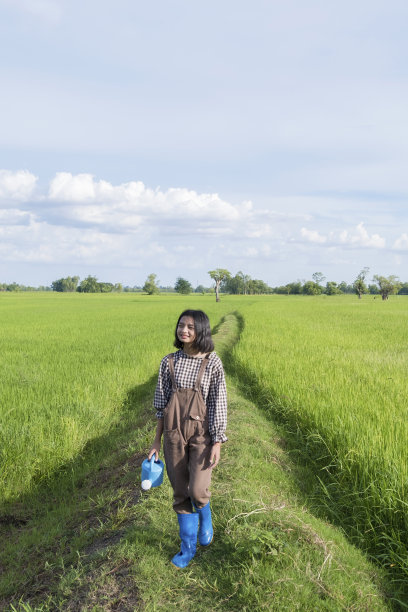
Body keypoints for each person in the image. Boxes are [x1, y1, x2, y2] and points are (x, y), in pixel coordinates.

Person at [148, 309, 227, 568]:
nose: (184, 331)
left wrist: (217, 441)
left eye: (191, 327)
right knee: (181, 492)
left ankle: (206, 515)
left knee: (197, 490)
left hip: (202, 434)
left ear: (201, 331)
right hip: (173, 433)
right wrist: (156, 442)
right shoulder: (168, 361)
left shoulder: (212, 362)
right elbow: (161, 406)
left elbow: (218, 403)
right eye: (181, 326)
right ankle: (187, 548)